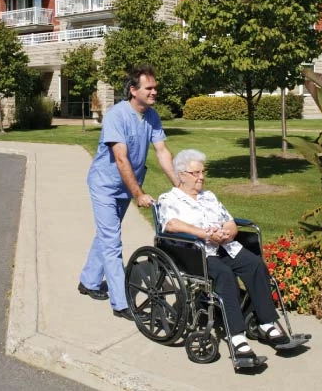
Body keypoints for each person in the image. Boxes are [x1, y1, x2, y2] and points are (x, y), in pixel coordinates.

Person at [157, 149, 290, 363]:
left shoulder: (208, 197)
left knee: (254, 264)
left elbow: (229, 221)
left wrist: (228, 232)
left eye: (203, 172)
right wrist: (203, 233)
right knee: (225, 275)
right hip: (196, 254)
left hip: (224, 247)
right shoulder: (169, 199)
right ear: (181, 174)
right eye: (196, 173)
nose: (202, 176)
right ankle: (236, 337)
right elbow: (172, 224)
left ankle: (267, 323)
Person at [78, 64, 179, 320]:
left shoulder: (151, 116)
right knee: (112, 241)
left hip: (126, 185)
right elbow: (121, 159)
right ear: (133, 90)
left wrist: (180, 185)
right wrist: (138, 193)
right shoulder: (116, 115)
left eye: (155, 87)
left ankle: (88, 281)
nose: (155, 92)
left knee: (106, 234)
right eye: (149, 88)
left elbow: (162, 152)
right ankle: (121, 303)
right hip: (105, 184)